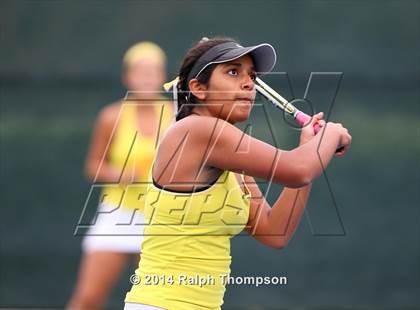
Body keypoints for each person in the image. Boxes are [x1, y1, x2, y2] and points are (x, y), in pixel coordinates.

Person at [124, 37, 352, 310]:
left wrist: (308, 146)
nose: (248, 83)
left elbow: (274, 231)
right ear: (198, 88)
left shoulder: (227, 155)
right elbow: (298, 169)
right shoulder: (198, 130)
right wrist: (331, 134)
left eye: (251, 75)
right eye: (233, 72)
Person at [67, 42, 174, 310]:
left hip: (162, 218)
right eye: (141, 71)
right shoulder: (110, 116)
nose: (147, 77)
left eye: (154, 71)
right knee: (88, 299)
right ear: (127, 76)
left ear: (162, 77)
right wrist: (120, 174)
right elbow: (93, 166)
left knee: (163, 302)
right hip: (117, 213)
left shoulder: (177, 116)